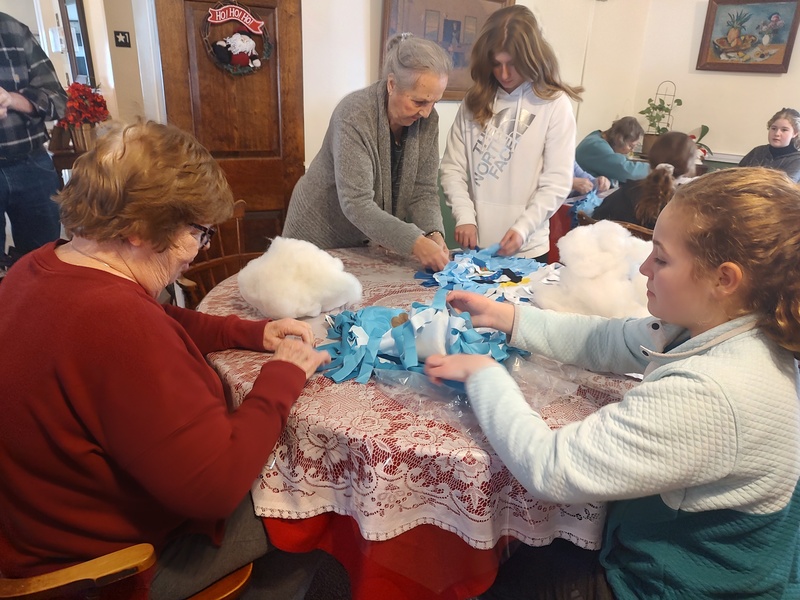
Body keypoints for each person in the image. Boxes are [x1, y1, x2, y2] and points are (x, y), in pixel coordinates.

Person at [425, 167, 800, 599]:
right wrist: (508, 317)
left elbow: (551, 468)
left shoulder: (714, 391)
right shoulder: (716, 325)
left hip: (665, 588)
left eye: (661, 259)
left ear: (724, 279)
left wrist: (485, 376)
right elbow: (606, 339)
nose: (643, 267)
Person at [0, 121, 337, 599]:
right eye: (198, 233)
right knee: (320, 496)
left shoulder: (36, 267)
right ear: (140, 229)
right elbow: (216, 488)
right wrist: (282, 375)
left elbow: (157, 318)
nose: (200, 250)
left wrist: (249, 331)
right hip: (110, 569)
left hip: (36, 529)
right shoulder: (118, 324)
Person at [282, 33, 451, 272]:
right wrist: (416, 242)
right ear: (392, 84)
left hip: (362, 243)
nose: (426, 112)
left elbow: (422, 191)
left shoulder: (428, 120)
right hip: (316, 236)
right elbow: (357, 204)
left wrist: (433, 233)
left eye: (435, 102)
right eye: (419, 102)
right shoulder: (353, 115)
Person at [439, 5, 582, 261]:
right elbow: (452, 168)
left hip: (528, 250)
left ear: (531, 58)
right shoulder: (473, 102)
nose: (504, 74)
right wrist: (464, 216)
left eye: (513, 64)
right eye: (496, 64)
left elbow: (557, 182)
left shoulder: (554, 104)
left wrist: (523, 228)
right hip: (477, 248)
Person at [0, 12, 67, 271]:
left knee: (43, 263)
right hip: (33, 165)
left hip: (32, 165)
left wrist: (11, 99)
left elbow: (59, 101)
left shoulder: (13, 29)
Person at [593, 131, 696, 229]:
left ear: (650, 159)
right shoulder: (692, 211)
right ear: (690, 166)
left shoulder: (622, 196)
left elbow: (594, 227)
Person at [575, 116, 650, 185]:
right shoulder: (597, 146)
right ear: (619, 139)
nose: (632, 150)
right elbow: (626, 171)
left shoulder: (597, 137)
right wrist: (653, 169)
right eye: (631, 146)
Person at [739, 107, 800, 182]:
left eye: (784, 130)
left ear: (795, 133)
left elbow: (784, 186)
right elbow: (735, 176)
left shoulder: (797, 160)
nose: (777, 133)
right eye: (773, 128)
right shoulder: (757, 151)